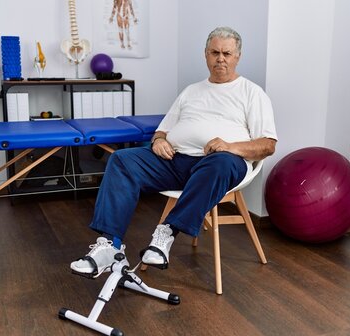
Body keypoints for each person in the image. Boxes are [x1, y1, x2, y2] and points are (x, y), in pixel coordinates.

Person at [71, 26, 277, 276]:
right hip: (175, 161)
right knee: (121, 160)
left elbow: (268, 145)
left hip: (221, 163)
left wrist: (230, 146)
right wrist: (158, 141)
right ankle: (110, 247)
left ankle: (167, 233)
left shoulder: (252, 93)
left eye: (226, 53)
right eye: (214, 52)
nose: (220, 58)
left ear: (237, 57)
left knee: (219, 162)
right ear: (205, 54)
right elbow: (163, 130)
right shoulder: (191, 91)